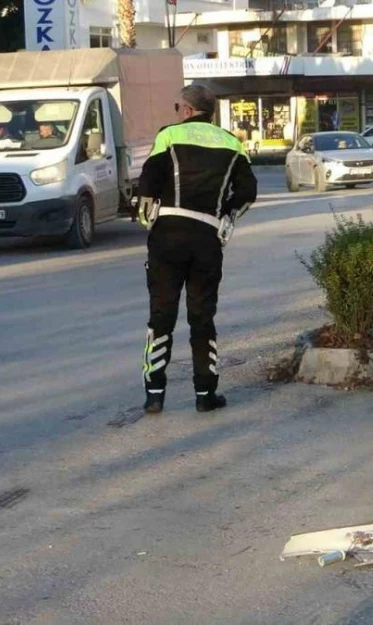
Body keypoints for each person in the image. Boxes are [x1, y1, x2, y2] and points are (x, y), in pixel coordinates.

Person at [136, 85, 257, 414]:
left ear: (187, 110)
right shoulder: (233, 144)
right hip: (206, 238)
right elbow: (248, 192)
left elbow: (146, 187)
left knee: (161, 316)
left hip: (168, 235)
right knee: (202, 318)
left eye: (178, 106)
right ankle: (205, 395)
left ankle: (154, 394)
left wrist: (149, 221)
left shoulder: (169, 136)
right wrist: (226, 216)